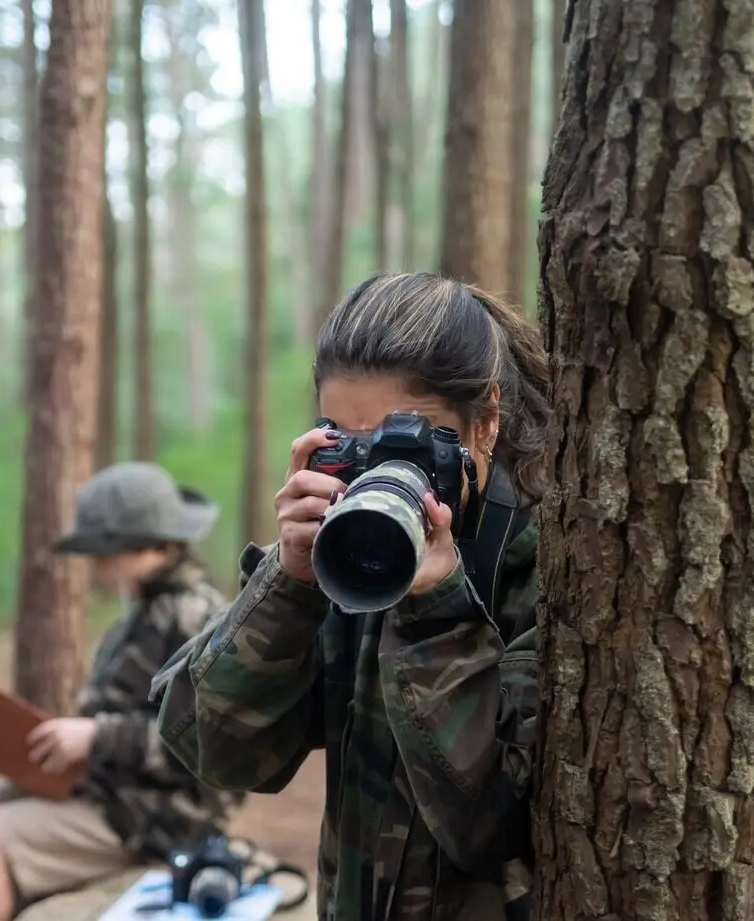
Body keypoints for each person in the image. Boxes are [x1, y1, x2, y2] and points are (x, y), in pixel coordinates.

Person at [151, 273, 550, 921]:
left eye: (414, 438)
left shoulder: (548, 558)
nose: (382, 471)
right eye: (349, 440)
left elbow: (490, 822)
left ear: (488, 421)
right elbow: (216, 748)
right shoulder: (345, 546)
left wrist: (437, 608)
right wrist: (290, 580)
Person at [0, 462, 239, 921]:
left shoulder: (199, 618)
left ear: (150, 546)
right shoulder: (141, 616)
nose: (98, 567)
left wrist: (95, 738)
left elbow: (213, 740)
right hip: (112, 789)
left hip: (167, 814)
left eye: (105, 553)